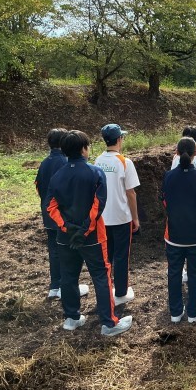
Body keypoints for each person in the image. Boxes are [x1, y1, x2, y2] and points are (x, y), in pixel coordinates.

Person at [46, 130, 132, 336]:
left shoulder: (57, 176)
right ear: (84, 149)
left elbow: (51, 206)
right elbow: (98, 204)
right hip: (92, 237)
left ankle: (72, 318)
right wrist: (84, 229)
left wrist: (67, 227)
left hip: (65, 237)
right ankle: (109, 323)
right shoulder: (95, 173)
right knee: (101, 276)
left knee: (68, 276)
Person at [161, 137, 196, 324]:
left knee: (174, 272)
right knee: (195, 272)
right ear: (195, 154)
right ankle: (193, 311)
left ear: (176, 152)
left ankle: (175, 312)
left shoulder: (168, 176)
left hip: (174, 234)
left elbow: (164, 202)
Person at [36, 128, 90, 300]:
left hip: (47, 213)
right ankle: (65, 288)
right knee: (68, 253)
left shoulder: (44, 162)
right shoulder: (65, 163)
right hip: (62, 216)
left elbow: (38, 185)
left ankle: (54, 286)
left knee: (54, 250)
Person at [95, 123, 140, 306]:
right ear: (119, 139)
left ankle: (106, 290)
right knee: (121, 256)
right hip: (121, 217)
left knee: (106, 256)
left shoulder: (98, 161)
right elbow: (131, 193)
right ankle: (121, 292)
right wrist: (135, 218)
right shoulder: (124, 162)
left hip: (102, 217)